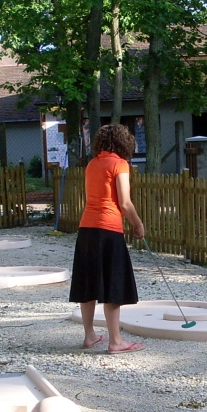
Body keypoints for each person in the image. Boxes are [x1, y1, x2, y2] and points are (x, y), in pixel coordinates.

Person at [70, 124, 146, 354]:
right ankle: (116, 341)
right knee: (111, 284)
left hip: (87, 229)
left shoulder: (92, 164)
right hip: (109, 229)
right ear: (124, 143)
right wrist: (138, 223)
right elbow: (124, 202)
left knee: (88, 282)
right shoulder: (120, 164)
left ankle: (90, 335)